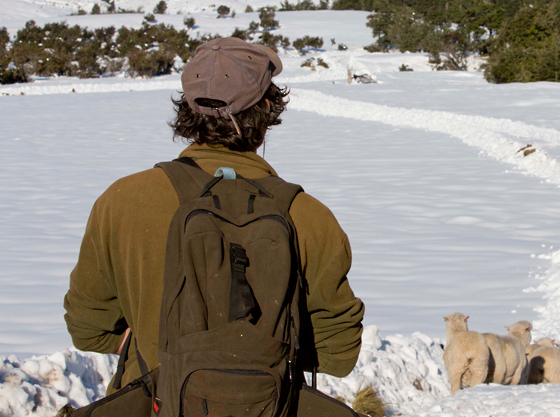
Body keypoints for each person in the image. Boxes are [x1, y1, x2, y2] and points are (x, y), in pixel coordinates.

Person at [64, 37, 365, 391]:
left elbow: (88, 330)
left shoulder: (121, 201)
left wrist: (151, 341)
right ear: (268, 107)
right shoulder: (308, 216)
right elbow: (339, 355)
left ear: (187, 107)